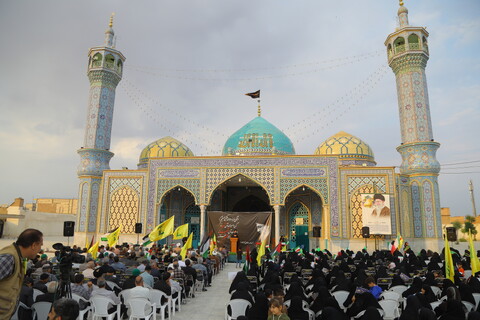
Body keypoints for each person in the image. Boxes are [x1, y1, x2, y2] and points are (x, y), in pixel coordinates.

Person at [0, 228, 43, 319]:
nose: (40, 249)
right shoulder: (9, 258)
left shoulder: (17, 257)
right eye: (40, 245)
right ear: (34, 245)